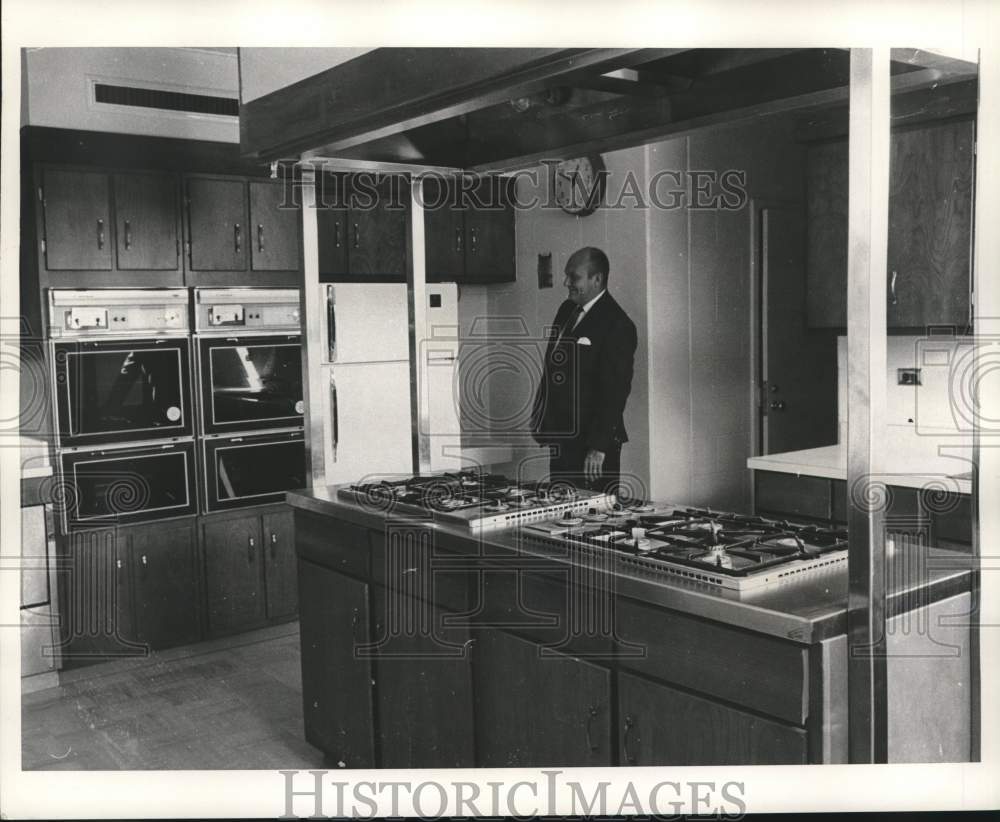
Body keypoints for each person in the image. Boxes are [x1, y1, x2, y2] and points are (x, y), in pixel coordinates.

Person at [530, 246, 638, 495]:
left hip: (593, 444)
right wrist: (541, 416)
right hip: (563, 438)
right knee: (561, 512)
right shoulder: (566, 311)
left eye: (573, 276)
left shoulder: (618, 324)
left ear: (597, 279)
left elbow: (615, 392)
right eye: (567, 275)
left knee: (593, 517)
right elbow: (553, 369)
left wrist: (597, 448)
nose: (566, 282)